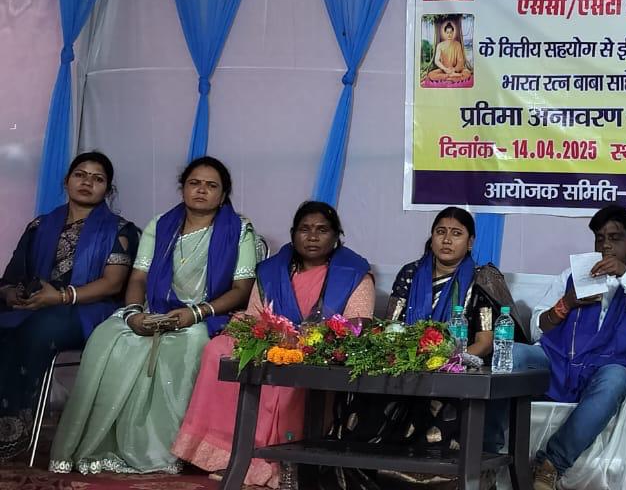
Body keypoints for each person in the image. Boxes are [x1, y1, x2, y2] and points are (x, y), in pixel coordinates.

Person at [49, 156, 261, 475]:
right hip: (155, 310)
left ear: (223, 195)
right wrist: (134, 313)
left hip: (208, 315)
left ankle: (167, 450)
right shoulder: (161, 225)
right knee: (109, 338)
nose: (201, 190)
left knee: (187, 344)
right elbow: (138, 278)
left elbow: (242, 289)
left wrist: (195, 313)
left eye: (211, 185)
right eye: (194, 183)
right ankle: (101, 445)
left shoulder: (239, 229)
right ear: (182, 188)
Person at [171, 201, 375, 487]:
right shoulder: (272, 270)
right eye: (304, 229)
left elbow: (357, 326)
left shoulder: (354, 273)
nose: (312, 237)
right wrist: (265, 333)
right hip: (271, 341)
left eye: (322, 230)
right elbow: (255, 315)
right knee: (218, 349)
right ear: (293, 234)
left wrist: (310, 338)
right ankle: (222, 452)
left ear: (336, 236)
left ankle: (272, 459)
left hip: (318, 350)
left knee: (289, 365)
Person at [320, 206, 523, 490]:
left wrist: (450, 361)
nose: (447, 240)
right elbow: (391, 326)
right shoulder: (411, 273)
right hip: (406, 366)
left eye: (456, 234)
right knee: (361, 403)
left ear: (470, 242)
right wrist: (405, 358)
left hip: (454, 373)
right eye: (441, 232)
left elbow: (485, 341)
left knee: (439, 412)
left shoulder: (481, 279)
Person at [0, 152, 139, 461]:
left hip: (89, 310)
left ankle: (11, 428)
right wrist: (12, 296)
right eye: (80, 175)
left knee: (39, 329)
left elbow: (113, 284)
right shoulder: (39, 226)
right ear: (66, 181)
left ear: (108, 190)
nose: (87, 182)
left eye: (97, 179)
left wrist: (62, 297)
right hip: (35, 305)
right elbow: (11, 278)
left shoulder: (120, 230)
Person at [527, 204, 626, 490]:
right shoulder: (570, 277)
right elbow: (536, 328)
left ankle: (552, 463)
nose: (605, 245)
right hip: (557, 363)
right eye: (600, 238)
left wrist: (625, 276)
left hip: (604, 372)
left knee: (616, 378)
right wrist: (566, 303)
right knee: (512, 357)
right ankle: (489, 453)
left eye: (615, 238)